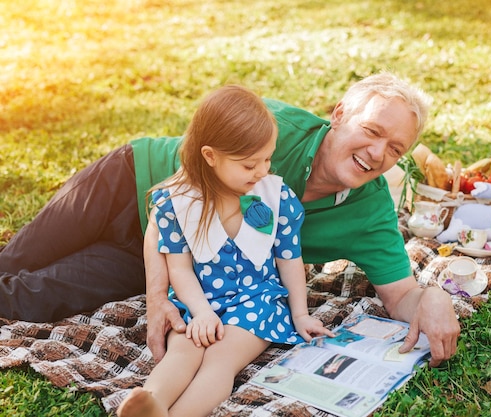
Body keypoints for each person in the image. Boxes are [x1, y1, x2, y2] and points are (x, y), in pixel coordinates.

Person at [0, 72, 460, 367]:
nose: (378, 153)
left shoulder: (372, 212)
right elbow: (174, 195)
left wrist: (433, 297)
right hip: (131, 184)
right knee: (13, 260)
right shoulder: (272, 128)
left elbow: (401, 294)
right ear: (339, 116)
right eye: (372, 131)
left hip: (169, 252)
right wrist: (157, 295)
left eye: (395, 148)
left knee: (30, 299)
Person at [116, 85, 333, 417]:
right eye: (249, 165)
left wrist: (300, 314)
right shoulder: (179, 202)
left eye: (267, 159)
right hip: (199, 300)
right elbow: (180, 269)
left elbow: (290, 260)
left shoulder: (276, 197)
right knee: (185, 349)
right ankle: (152, 401)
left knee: (220, 358)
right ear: (210, 156)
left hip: (257, 301)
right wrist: (201, 312)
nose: (262, 171)